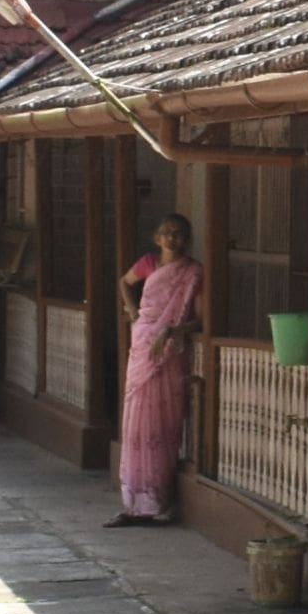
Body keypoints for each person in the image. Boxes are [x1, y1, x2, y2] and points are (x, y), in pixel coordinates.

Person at [110, 212, 205, 526]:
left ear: (187, 239)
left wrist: (176, 331)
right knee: (136, 420)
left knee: (163, 423)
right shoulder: (149, 263)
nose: (172, 239)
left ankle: (156, 498)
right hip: (143, 342)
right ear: (157, 238)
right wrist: (133, 312)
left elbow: (200, 317)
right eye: (167, 233)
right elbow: (124, 282)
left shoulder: (192, 272)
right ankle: (133, 501)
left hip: (169, 351)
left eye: (179, 233)